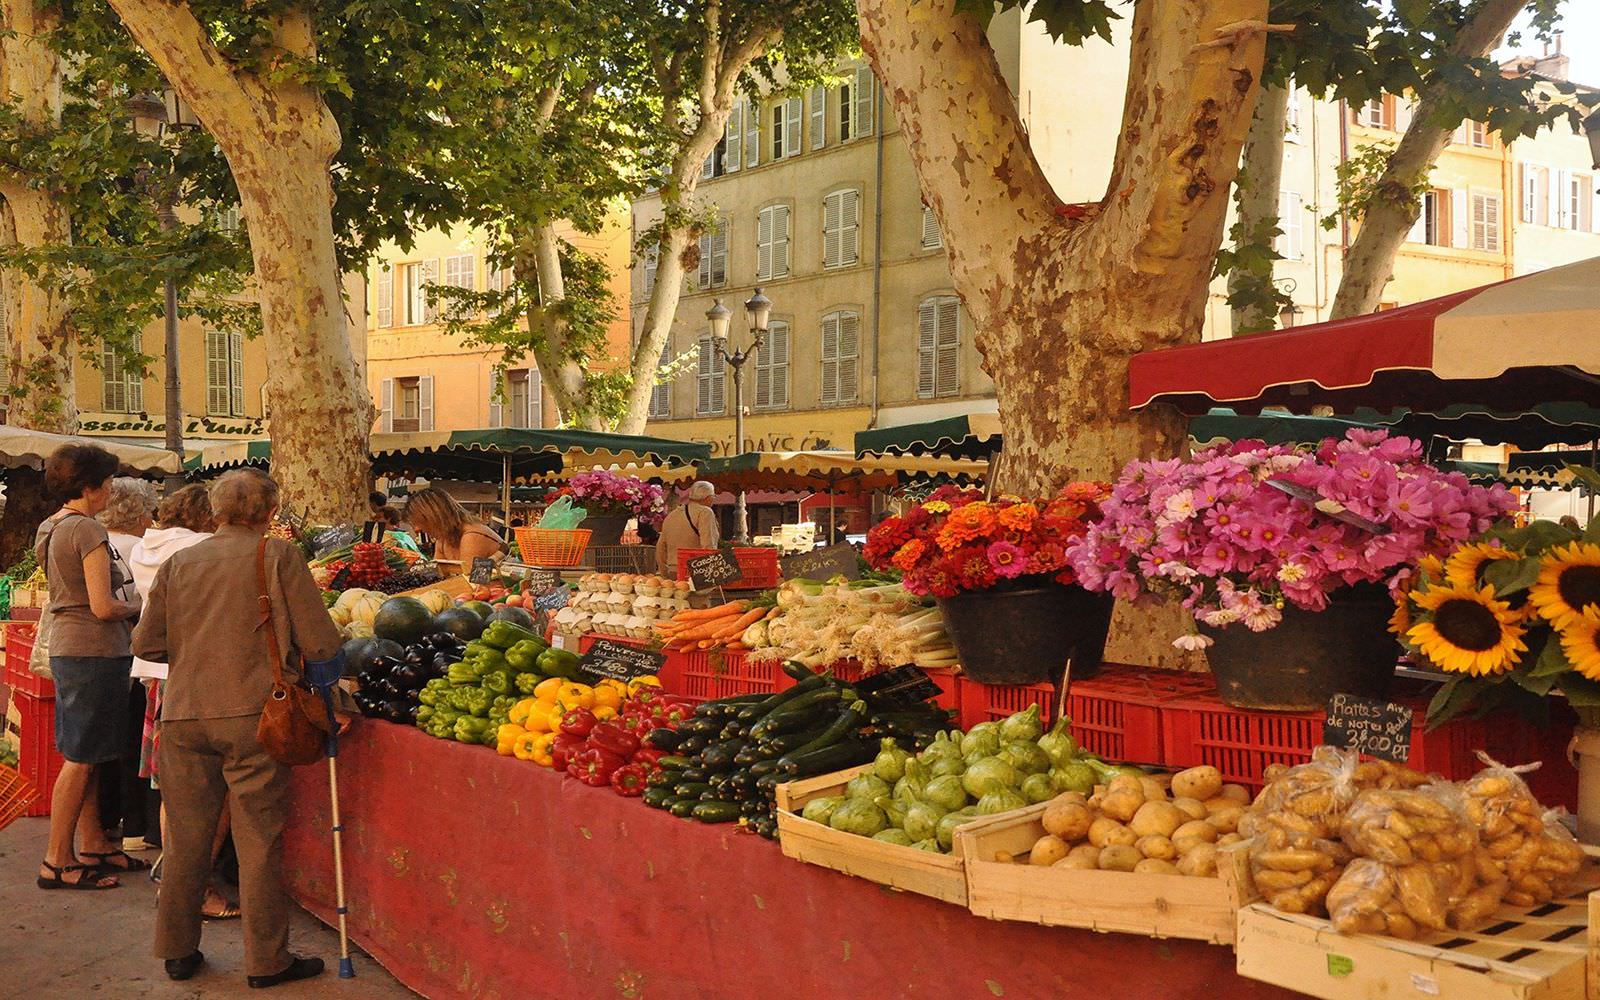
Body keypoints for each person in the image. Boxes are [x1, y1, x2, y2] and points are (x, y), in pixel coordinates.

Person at [132, 469, 348, 987]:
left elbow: (145, 645)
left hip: (183, 714)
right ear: (270, 511)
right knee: (259, 839)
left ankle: (177, 950)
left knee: (185, 838)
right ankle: (267, 960)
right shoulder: (276, 556)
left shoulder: (180, 562)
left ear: (215, 510)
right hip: (255, 716)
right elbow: (320, 643)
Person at [35, 444, 144, 891]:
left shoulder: (51, 525)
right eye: (107, 482)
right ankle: (57, 860)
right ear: (89, 486)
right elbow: (102, 606)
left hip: (71, 648)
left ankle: (94, 841)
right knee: (81, 759)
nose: (111, 490)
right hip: (94, 651)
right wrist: (142, 605)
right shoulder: (87, 531)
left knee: (89, 753)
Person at [129, 484, 236, 920]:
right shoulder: (202, 550)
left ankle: (175, 879)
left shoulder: (144, 548)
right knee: (213, 790)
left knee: (172, 788)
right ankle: (196, 885)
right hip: (198, 678)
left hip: (156, 677)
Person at [96, 477, 161, 853]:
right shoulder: (142, 549)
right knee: (135, 742)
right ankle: (136, 826)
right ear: (138, 511)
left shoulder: (97, 543)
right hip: (134, 657)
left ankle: (106, 820)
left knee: (107, 743)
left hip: (99, 656)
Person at [403, 486, 504, 574]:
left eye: (419, 522)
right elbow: (439, 574)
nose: (417, 529)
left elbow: (474, 583)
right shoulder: (443, 537)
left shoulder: (472, 536)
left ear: (434, 516)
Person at [656, 480, 720, 573]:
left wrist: (664, 572)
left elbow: (660, 547)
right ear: (709, 498)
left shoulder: (672, 515)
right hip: (694, 570)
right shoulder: (705, 512)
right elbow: (708, 546)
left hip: (673, 570)